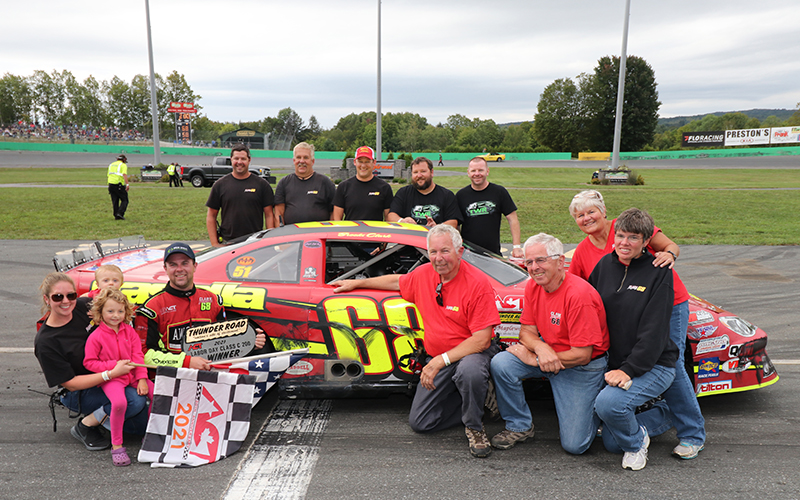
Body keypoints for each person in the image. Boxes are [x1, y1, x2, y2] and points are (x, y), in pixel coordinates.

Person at [333, 225, 500, 458]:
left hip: (470, 353)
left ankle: (474, 425)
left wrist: (439, 362)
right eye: (433, 252)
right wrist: (356, 283)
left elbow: (481, 340)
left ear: (460, 252)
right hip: (440, 358)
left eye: (445, 251)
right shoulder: (424, 274)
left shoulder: (477, 283)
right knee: (422, 422)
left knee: (469, 371)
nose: (438, 259)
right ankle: (478, 402)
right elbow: (398, 282)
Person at [568, 190, 706, 459]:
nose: (587, 218)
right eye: (580, 215)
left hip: (668, 299)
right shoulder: (584, 251)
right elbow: (577, 289)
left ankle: (692, 433)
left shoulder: (628, 224)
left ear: (604, 211)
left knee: (670, 362)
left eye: (591, 211)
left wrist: (670, 255)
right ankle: (637, 414)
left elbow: (670, 246)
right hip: (628, 306)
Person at [490, 233, 609, 454]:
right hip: (550, 352)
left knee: (576, 446)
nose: (534, 267)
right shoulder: (534, 286)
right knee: (502, 363)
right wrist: (541, 348)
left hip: (582, 367)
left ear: (560, 261)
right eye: (529, 262)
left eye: (541, 260)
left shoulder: (578, 296)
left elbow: (582, 355)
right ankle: (519, 426)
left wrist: (534, 359)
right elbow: (526, 332)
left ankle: (612, 409)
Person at [589, 208, 678, 471]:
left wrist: (627, 370)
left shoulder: (658, 272)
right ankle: (655, 414)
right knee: (611, 444)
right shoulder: (605, 265)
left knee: (608, 404)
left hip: (653, 364)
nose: (624, 243)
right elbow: (589, 309)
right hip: (613, 364)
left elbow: (654, 333)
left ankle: (639, 440)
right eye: (620, 236)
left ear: (647, 242)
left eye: (633, 238)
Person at [34, 273, 148, 452]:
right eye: (58, 296)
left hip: (112, 375)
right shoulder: (46, 342)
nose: (65, 301)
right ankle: (86, 424)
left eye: (71, 295)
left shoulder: (82, 307)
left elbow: (107, 296)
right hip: (80, 389)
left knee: (141, 425)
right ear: (47, 299)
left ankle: (111, 418)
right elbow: (70, 384)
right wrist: (110, 374)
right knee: (134, 401)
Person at [134, 242, 267, 368]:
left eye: (185, 263)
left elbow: (226, 342)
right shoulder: (152, 308)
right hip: (170, 378)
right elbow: (142, 354)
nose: (179, 269)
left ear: (195, 266)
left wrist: (249, 341)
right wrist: (185, 362)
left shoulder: (213, 300)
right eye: (173, 264)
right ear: (165, 269)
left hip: (209, 374)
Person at [84, 289, 154, 466]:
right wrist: (114, 367)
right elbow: (90, 363)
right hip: (112, 378)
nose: (116, 315)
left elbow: (138, 356)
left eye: (120, 311)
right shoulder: (95, 336)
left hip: (132, 374)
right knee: (120, 403)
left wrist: (142, 379)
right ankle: (117, 445)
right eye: (110, 311)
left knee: (157, 394)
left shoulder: (130, 332)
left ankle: (152, 435)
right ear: (100, 312)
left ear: (126, 312)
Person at [206, 144, 275, 247]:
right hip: (228, 243)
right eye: (236, 158)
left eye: (243, 159)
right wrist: (215, 243)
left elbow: (269, 215)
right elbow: (211, 215)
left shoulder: (262, 185)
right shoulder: (220, 185)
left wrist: (269, 241)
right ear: (231, 160)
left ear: (249, 160)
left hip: (254, 242)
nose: (239, 162)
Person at [456, 157, 523, 258]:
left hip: (493, 254)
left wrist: (517, 246)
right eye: (473, 170)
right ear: (468, 172)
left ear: (487, 171)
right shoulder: (461, 195)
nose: (477, 173)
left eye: (480, 170)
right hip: (468, 255)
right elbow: (456, 226)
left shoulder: (499, 192)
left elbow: (512, 219)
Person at [387, 157, 461, 228]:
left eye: (423, 171)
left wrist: (436, 228)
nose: (419, 175)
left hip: (436, 239)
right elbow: (391, 216)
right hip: (409, 239)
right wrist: (402, 221)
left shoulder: (447, 195)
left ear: (432, 172)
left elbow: (453, 222)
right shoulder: (403, 193)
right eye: (415, 172)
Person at [273, 142, 335, 226]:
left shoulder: (325, 183)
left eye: (306, 157)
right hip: (292, 235)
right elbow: (278, 213)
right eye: (298, 157)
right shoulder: (284, 183)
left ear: (312, 161)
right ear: (294, 160)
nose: (302, 161)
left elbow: (334, 213)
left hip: (319, 235)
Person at [332, 145, 393, 221]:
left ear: (374, 162)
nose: (363, 165)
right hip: (350, 232)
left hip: (374, 232)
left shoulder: (384, 188)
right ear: (355, 162)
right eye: (360, 161)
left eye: (367, 161)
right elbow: (337, 219)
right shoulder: (343, 187)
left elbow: (389, 219)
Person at [107, 154, 129, 220]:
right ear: (124, 160)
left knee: (115, 201)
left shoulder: (111, 165)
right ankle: (120, 213)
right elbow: (124, 174)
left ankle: (116, 214)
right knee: (125, 200)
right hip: (119, 184)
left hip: (111, 184)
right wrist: (127, 184)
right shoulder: (123, 165)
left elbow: (108, 175)